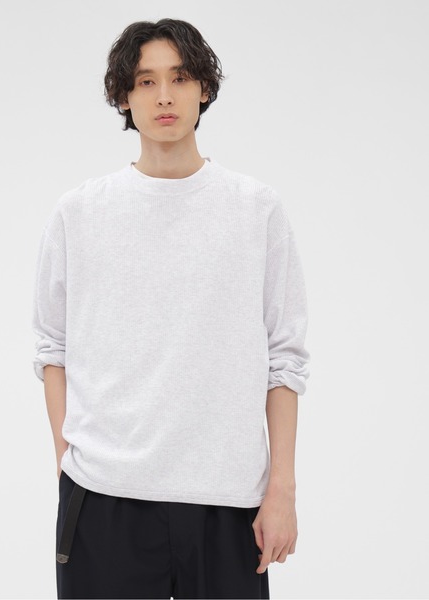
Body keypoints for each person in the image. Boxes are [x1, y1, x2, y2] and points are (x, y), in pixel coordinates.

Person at [32, 17, 310, 600]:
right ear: (123, 97)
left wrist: (281, 488)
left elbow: (284, 358)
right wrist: (67, 461)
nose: (164, 96)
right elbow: (53, 348)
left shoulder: (256, 210)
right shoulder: (80, 213)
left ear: (203, 88)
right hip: (105, 497)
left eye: (180, 78)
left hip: (229, 502)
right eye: (146, 81)